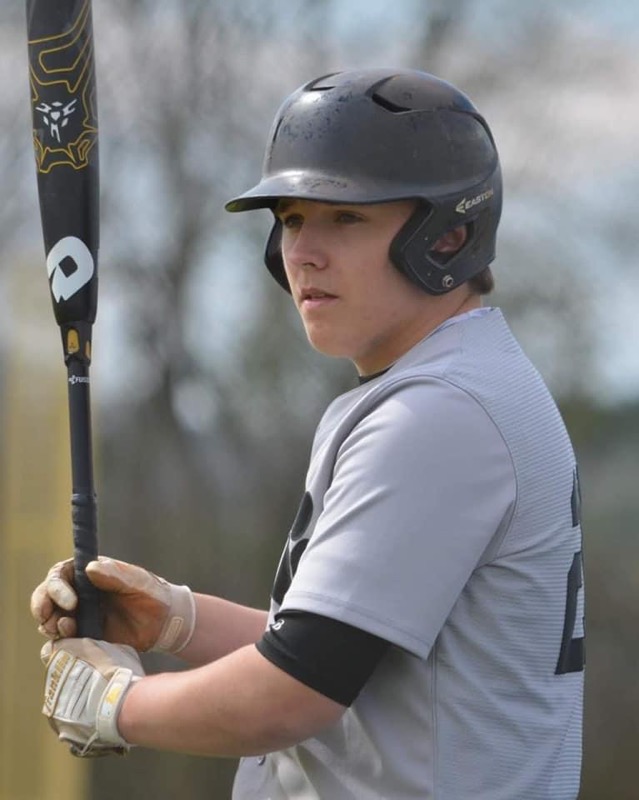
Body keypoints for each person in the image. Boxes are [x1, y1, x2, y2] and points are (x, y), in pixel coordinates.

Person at [31, 68, 585, 799]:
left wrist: (115, 706)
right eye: (291, 219)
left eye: (344, 218)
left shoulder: (439, 415)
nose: (302, 252)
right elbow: (346, 653)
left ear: (449, 234)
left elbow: (293, 692)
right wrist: (178, 620)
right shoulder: (451, 387)